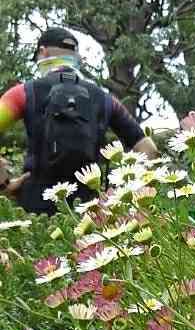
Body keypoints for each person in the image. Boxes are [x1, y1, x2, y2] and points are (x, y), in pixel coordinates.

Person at [0, 26, 158, 214]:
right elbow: (149, 149)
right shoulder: (105, 99)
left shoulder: (23, 93)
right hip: (92, 207)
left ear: (43, 52)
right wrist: (122, 191)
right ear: (75, 56)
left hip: (35, 206)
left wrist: (4, 183)